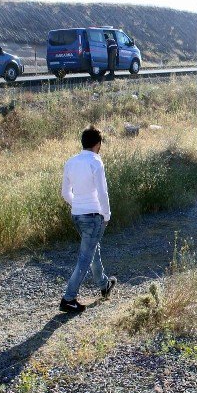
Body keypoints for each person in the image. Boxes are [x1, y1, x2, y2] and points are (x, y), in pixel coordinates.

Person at [59, 126, 116, 314]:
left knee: (92, 249)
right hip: (93, 216)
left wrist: (78, 203)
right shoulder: (96, 162)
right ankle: (68, 298)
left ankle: (104, 284)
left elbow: (65, 193)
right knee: (85, 257)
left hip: (77, 215)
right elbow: (102, 192)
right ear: (98, 144)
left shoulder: (71, 161)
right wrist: (106, 215)